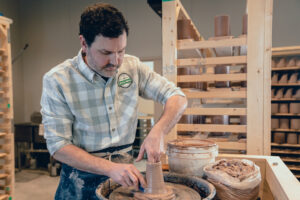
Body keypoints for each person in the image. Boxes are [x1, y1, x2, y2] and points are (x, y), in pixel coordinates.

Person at [41, 2, 187, 200]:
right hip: (79, 182)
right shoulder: (58, 80)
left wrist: (159, 130)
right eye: (106, 53)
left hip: (125, 175)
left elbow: (177, 97)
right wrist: (109, 168)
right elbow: (58, 146)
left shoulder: (132, 67)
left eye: (121, 51)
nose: (116, 61)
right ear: (84, 43)